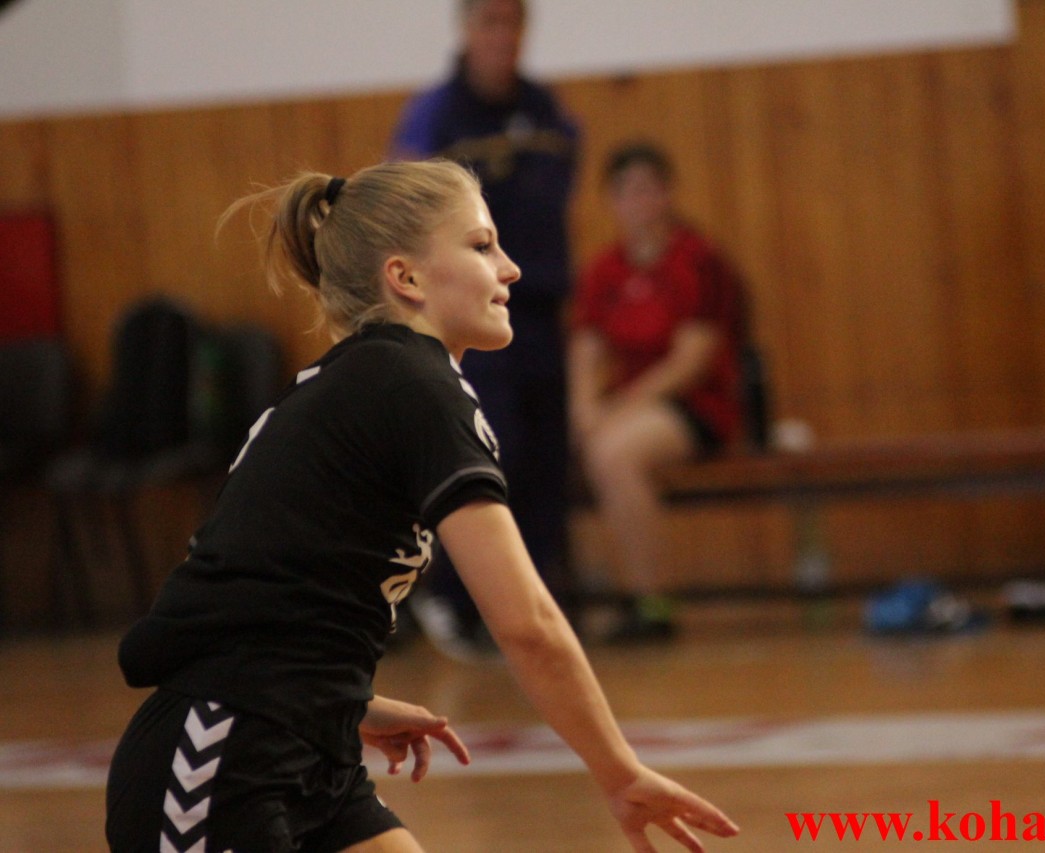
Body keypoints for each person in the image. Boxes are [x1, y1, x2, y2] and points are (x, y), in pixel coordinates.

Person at [104, 160, 739, 853]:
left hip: (307, 742)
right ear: (405, 277)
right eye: (481, 245)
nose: (511, 268)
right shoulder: (411, 384)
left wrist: (348, 701)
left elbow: (280, 587)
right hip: (219, 750)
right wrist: (619, 771)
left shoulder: (378, 379)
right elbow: (526, 623)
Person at [388, 0, 578, 659]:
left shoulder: (546, 111)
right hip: (472, 320)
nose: (504, 37)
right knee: (490, 457)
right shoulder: (435, 114)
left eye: (513, 23)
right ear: (467, 30)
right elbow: (404, 208)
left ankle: (532, 610)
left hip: (539, 313)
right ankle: (455, 601)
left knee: (546, 463)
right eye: (490, 23)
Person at [570, 142, 746, 643]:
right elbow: (586, 349)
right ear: (611, 201)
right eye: (626, 191)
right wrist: (584, 409)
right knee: (579, 448)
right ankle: (582, 595)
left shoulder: (698, 260)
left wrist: (616, 410)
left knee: (615, 455)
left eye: (648, 189)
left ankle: (651, 602)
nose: (639, 202)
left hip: (695, 406)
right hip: (627, 408)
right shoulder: (606, 269)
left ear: (667, 194)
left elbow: (690, 362)